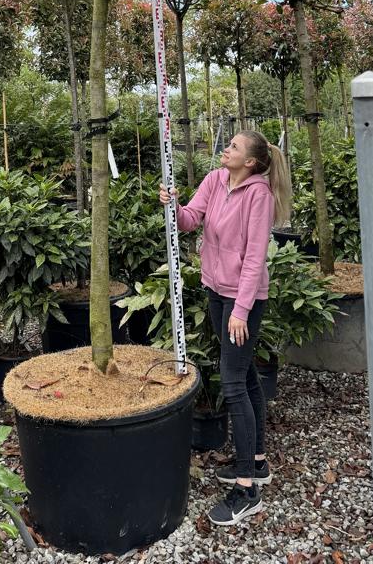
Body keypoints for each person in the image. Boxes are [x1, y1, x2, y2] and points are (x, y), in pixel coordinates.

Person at [159, 130, 291, 527]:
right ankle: (259, 460)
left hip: (243, 300)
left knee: (233, 384)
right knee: (246, 375)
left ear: (250, 162)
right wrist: (173, 205)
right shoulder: (216, 180)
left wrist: (242, 309)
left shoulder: (259, 196)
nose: (225, 149)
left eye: (233, 146)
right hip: (216, 290)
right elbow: (189, 221)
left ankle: (248, 489)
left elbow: (254, 258)